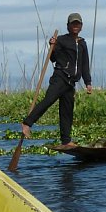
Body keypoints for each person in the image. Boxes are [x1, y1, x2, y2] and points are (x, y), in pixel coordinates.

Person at [22, 13, 93, 149]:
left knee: (67, 111)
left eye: (78, 24)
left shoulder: (82, 43)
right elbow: (53, 58)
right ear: (68, 26)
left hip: (71, 82)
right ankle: (27, 123)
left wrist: (88, 82)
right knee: (48, 100)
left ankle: (66, 140)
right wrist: (52, 46)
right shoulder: (61, 40)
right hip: (60, 77)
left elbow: (85, 64)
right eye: (73, 24)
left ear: (81, 26)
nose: (75, 26)